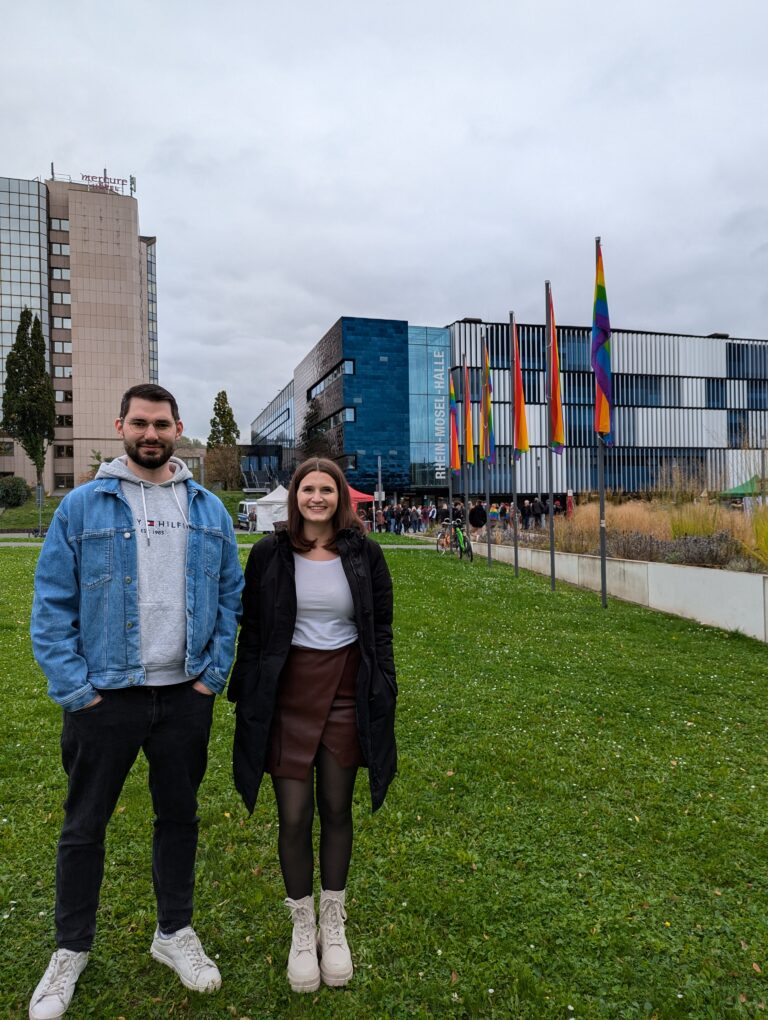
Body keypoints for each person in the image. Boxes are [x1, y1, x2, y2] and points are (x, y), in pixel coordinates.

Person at [28, 383, 243, 1020]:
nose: (151, 434)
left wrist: (211, 678)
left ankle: (173, 933)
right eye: (140, 423)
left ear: (179, 429)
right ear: (120, 425)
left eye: (163, 424)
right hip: (105, 698)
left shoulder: (208, 509)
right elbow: (51, 606)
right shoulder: (81, 507)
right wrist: (78, 691)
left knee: (178, 818)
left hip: (184, 694)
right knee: (83, 826)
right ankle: (71, 949)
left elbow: (231, 597)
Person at [229, 457, 397, 994]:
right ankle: (303, 928)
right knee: (295, 815)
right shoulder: (269, 555)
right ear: (296, 496)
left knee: (336, 807)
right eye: (308, 489)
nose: (317, 498)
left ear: (340, 496)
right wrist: (250, 691)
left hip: (347, 692)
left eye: (327, 489)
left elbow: (382, 629)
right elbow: (252, 629)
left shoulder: (365, 554)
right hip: (288, 693)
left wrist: (385, 685)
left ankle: (334, 921)